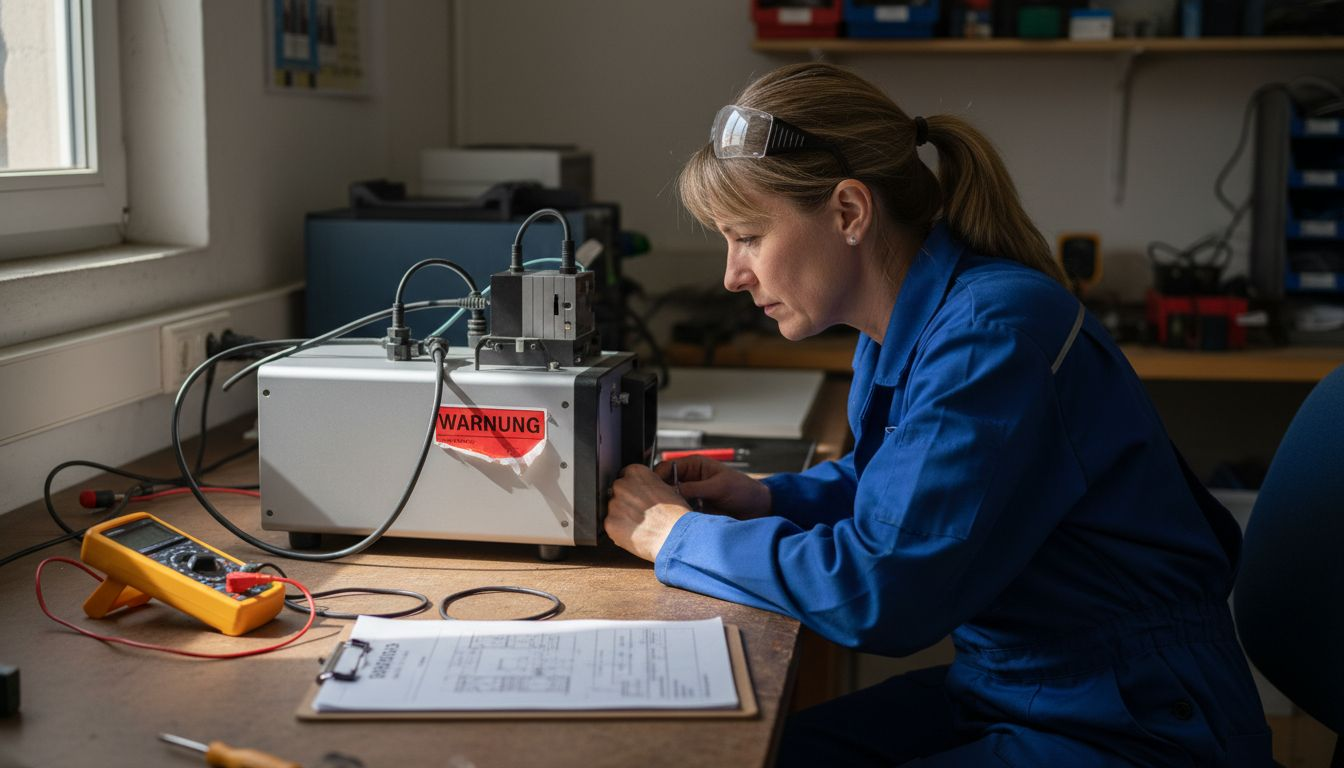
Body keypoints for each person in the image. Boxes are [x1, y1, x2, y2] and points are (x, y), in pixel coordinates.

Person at [604, 62, 1272, 766]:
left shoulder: (992, 334)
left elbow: (882, 592)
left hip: (1132, 721)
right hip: (1018, 686)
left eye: (747, 236)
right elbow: (888, 488)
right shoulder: (901, 325)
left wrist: (674, 536)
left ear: (849, 212)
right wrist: (769, 497)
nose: (733, 274)